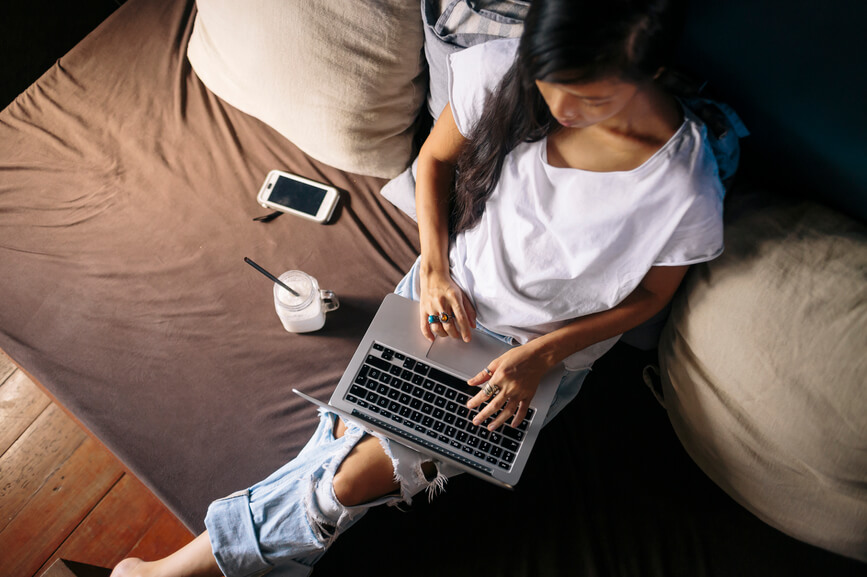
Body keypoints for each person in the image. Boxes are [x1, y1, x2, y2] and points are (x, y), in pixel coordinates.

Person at [113, 0, 735, 575]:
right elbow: (433, 163)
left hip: (531, 361)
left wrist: (543, 356)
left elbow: (650, 299)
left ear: (648, 69)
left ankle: (173, 572)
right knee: (348, 438)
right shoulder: (501, 71)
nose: (561, 107)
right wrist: (435, 269)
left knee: (346, 483)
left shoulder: (683, 185)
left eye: (590, 93)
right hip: (445, 296)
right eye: (551, 78)